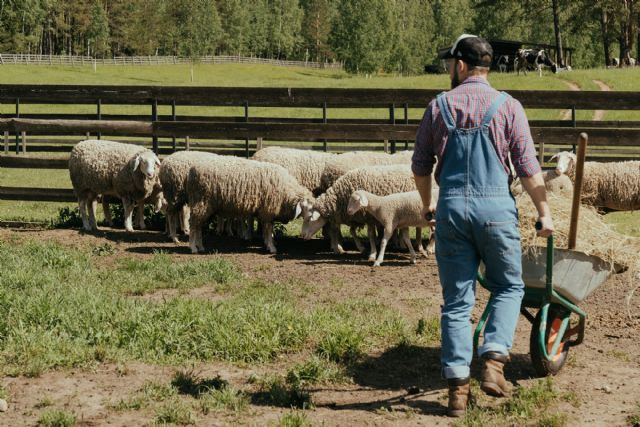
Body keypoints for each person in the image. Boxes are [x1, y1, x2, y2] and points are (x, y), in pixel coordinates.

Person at [412, 34, 554, 417]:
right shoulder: (508, 107)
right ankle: (493, 362)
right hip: (496, 212)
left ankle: (458, 390)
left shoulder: (438, 106)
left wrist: (428, 205)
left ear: (460, 65)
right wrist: (545, 213)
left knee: (457, 302)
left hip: (453, 210)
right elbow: (528, 168)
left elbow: (420, 166)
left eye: (449, 64)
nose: (448, 70)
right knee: (509, 285)